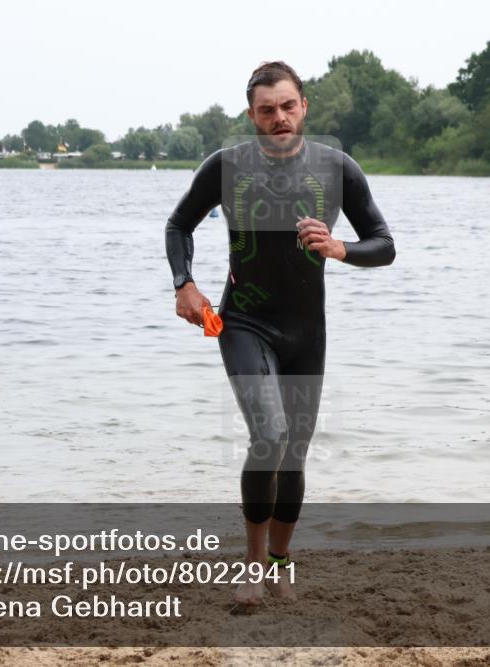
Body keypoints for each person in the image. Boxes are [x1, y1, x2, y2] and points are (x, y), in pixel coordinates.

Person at [164, 61, 395, 606]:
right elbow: (179, 225)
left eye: (287, 106)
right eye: (267, 110)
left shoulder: (338, 169)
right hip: (242, 322)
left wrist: (340, 249)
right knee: (268, 435)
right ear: (252, 115)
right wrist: (185, 285)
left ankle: (279, 562)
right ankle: (250, 568)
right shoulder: (226, 167)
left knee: (293, 453)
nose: (279, 117)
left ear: (304, 105)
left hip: (305, 331)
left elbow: (383, 244)